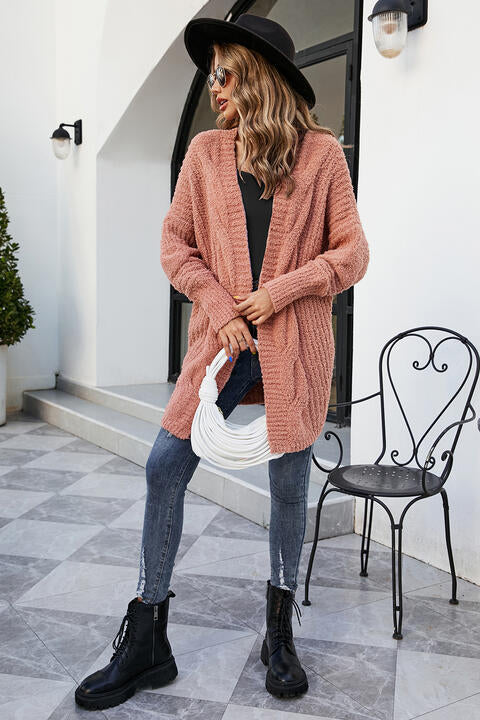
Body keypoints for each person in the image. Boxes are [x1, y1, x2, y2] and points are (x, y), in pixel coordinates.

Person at [75, 13, 369, 710]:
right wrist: (221, 306)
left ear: (260, 77)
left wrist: (280, 291)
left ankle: (279, 632)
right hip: (222, 347)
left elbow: (353, 252)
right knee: (164, 466)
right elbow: (175, 245)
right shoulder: (205, 153)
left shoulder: (322, 155)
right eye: (211, 77)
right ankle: (148, 639)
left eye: (225, 74)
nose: (215, 88)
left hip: (295, 350)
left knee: (289, 485)